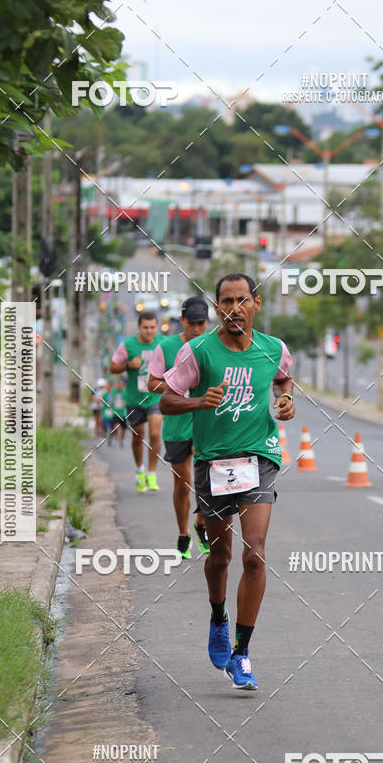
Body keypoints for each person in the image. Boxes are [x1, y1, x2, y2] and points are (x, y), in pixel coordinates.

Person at [160, 274, 295, 690]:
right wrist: (199, 400)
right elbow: (165, 398)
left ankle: (242, 653)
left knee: (254, 555)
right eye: (225, 301)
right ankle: (218, 615)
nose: (233, 308)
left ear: (256, 303)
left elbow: (283, 379)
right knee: (220, 557)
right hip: (215, 462)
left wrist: (285, 401)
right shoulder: (197, 351)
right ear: (217, 307)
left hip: (260, 456)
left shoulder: (273, 349)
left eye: (241, 300)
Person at [147, 297, 211, 559]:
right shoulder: (166, 347)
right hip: (176, 423)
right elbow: (152, 383)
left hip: (206, 422)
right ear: (182, 320)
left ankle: (202, 525)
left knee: (206, 482)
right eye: (192, 322)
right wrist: (177, 387)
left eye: (201, 323)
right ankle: (184, 531)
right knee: (183, 484)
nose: (196, 328)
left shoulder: (212, 345)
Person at [111, 313, 165, 491]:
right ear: (139, 327)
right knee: (138, 435)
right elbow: (113, 368)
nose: (149, 331)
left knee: (155, 433)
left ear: (156, 327)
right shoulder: (128, 345)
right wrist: (128, 365)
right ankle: (140, 470)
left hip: (155, 397)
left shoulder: (163, 343)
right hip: (135, 399)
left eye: (152, 327)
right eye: (145, 327)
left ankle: (151, 473)